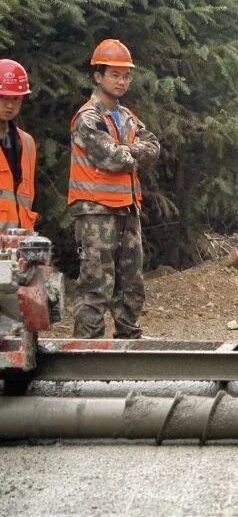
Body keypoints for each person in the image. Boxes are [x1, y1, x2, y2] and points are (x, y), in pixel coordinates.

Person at [68, 39, 161, 339]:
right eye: (115, 75)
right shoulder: (88, 118)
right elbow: (111, 158)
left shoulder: (128, 117)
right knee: (96, 285)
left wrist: (126, 151)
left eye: (126, 76)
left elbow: (154, 147)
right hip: (95, 211)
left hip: (127, 209)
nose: (122, 81)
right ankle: (87, 350)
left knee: (132, 284)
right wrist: (132, 151)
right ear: (98, 76)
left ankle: (128, 341)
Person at [0, 60, 37, 231]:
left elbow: (29, 199)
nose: (10, 105)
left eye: (16, 98)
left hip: (20, 240)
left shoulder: (27, 143)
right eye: (3, 97)